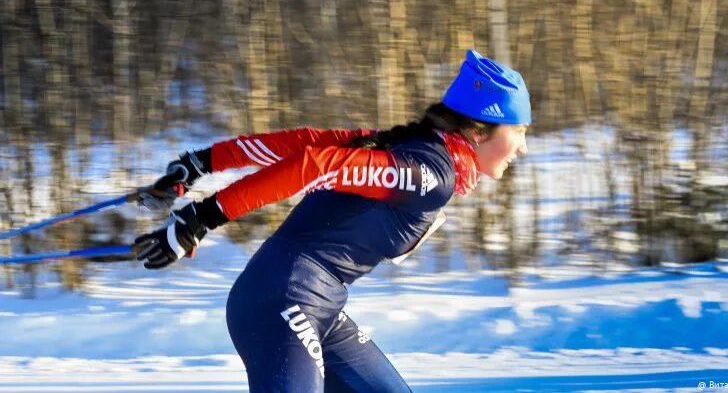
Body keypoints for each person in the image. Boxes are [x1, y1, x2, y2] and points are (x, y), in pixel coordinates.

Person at [132, 50, 531, 392]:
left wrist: (203, 163)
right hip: (284, 299)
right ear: (480, 130)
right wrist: (202, 217)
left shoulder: (412, 148)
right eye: (518, 131)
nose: (523, 146)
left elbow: (304, 143)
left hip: (317, 305)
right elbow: (314, 163)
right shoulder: (429, 174)